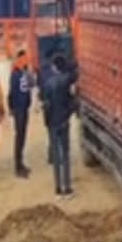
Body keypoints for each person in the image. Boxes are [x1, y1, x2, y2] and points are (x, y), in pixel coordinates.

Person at [43, 54, 78, 199]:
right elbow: (75, 73)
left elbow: (46, 105)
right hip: (64, 121)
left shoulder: (48, 83)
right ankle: (67, 187)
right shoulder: (65, 81)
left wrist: (47, 122)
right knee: (66, 155)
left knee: (57, 158)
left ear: (55, 67)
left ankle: (58, 189)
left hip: (53, 123)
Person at [8, 50, 34, 178]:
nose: (26, 61)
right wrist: (12, 108)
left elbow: (31, 86)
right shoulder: (15, 74)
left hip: (24, 108)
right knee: (19, 137)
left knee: (22, 137)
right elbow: (11, 93)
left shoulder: (24, 73)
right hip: (19, 110)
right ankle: (18, 166)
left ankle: (21, 164)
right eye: (24, 59)